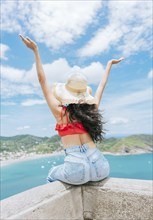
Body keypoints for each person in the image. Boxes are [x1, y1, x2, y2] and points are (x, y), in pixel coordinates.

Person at [19, 34, 124, 185]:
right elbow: (101, 86)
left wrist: (35, 50)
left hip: (76, 168)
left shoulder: (59, 112)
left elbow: (42, 80)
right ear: (84, 93)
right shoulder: (91, 110)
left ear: (66, 93)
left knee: (51, 174)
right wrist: (109, 64)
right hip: (101, 166)